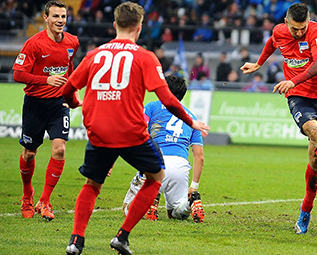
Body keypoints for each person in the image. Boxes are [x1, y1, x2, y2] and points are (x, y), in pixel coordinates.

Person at [61, 3, 210, 255]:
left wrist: (76, 103)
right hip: (131, 132)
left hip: (99, 131)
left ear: (114, 25)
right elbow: (167, 98)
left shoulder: (94, 55)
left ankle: (76, 241)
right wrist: (191, 121)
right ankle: (122, 236)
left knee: (92, 185)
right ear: (139, 28)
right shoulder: (144, 56)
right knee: (156, 177)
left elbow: (67, 90)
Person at [239, 3, 317, 235]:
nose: (299, 33)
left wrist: (293, 80)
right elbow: (271, 43)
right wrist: (259, 64)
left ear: (309, 21)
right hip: (297, 95)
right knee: (315, 133)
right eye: (295, 29)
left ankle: (306, 210)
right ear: (286, 22)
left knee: (315, 161)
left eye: (302, 28)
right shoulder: (279, 31)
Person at [12, 0, 79, 221]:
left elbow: (68, 69)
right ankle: (27, 194)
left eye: (63, 17)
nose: (60, 21)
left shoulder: (72, 42)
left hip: (58, 105)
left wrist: (71, 93)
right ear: (46, 18)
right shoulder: (34, 44)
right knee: (29, 153)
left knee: (59, 150)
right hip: (35, 104)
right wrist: (45, 79)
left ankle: (45, 200)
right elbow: (18, 74)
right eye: (56, 16)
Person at [122, 75, 206, 222]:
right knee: (175, 212)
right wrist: (194, 185)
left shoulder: (152, 107)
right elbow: (199, 156)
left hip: (155, 163)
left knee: (127, 209)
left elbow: (138, 128)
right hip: (180, 167)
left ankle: (149, 202)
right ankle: (189, 204)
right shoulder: (192, 118)